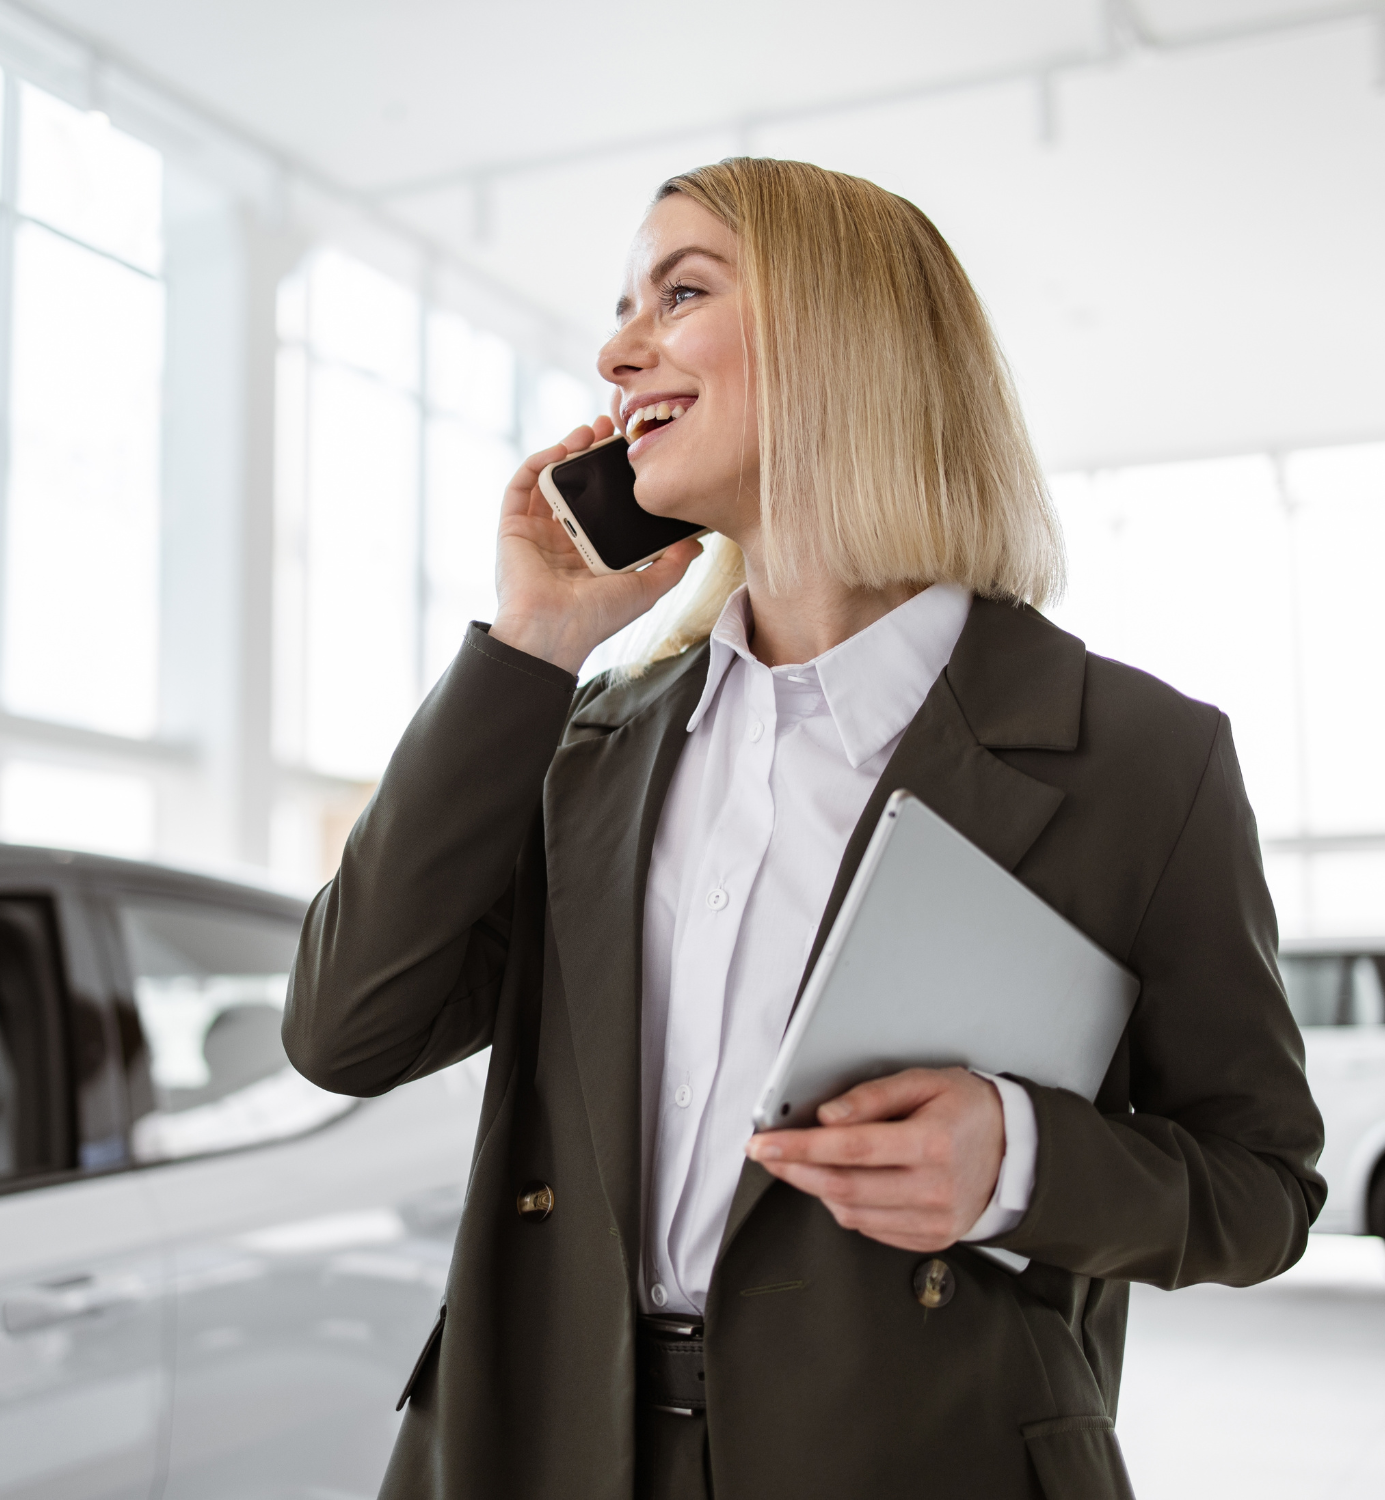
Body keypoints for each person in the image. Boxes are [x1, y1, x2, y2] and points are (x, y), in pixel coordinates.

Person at [283, 157, 1325, 1500]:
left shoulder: (1138, 758)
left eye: (680, 293)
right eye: (623, 307)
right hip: (541, 1448)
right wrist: (531, 645)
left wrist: (1018, 1160)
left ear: (845, 335)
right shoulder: (586, 741)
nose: (616, 353)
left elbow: (1262, 1187)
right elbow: (347, 1032)